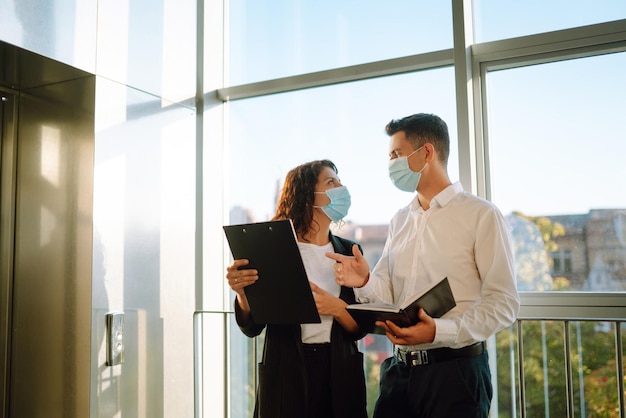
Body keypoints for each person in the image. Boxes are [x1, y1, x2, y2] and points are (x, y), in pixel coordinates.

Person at [326, 113, 520, 418]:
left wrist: (438, 331)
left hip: (456, 375)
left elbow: (504, 304)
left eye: (396, 154)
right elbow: (386, 290)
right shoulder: (400, 219)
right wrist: (363, 281)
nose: (390, 164)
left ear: (426, 152)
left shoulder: (481, 215)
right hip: (399, 373)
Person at [226, 159, 368, 418]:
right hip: (286, 372)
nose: (341, 187)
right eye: (331, 182)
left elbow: (360, 328)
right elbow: (251, 327)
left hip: (340, 372)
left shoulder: (350, 252)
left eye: (339, 180)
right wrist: (243, 294)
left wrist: (338, 309)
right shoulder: (274, 249)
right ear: (306, 195)